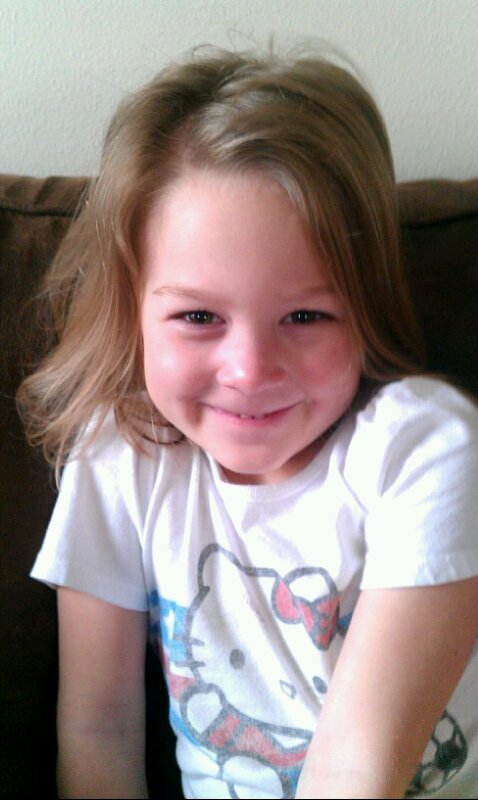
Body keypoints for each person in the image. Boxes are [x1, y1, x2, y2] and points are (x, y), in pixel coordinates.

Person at [18, 44, 478, 799]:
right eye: (199, 316)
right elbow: (99, 729)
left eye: (305, 315)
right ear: (132, 313)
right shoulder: (117, 458)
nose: (251, 370)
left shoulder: (424, 449)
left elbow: (359, 769)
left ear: (365, 306)